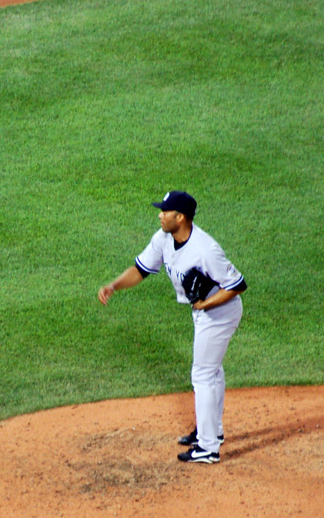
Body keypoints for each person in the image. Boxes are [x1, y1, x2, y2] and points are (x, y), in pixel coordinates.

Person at [97, 190, 247, 464]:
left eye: (165, 211)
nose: (160, 214)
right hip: (205, 312)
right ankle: (212, 431)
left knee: (203, 374)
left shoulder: (205, 249)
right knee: (211, 370)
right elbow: (140, 270)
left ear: (180, 218)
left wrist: (205, 305)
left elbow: (237, 286)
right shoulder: (164, 238)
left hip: (221, 313)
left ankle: (207, 448)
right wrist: (113, 286)